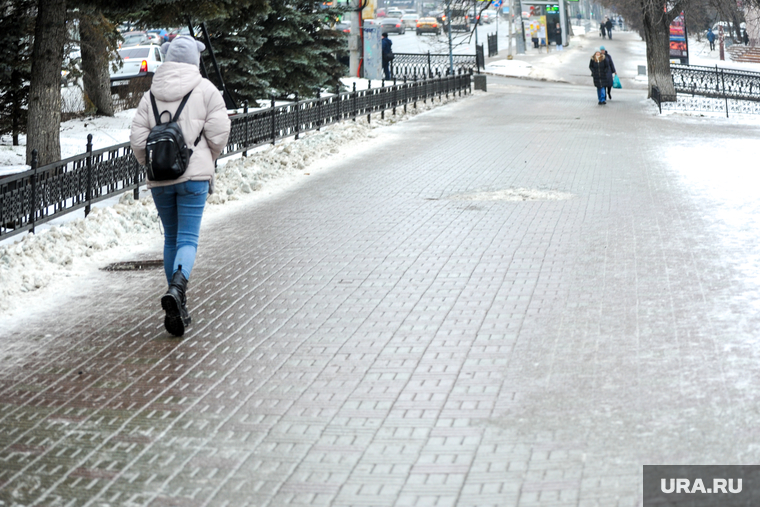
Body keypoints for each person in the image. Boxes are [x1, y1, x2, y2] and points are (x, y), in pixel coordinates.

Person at [129, 36, 231, 337]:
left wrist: (153, 163)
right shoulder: (206, 90)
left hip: (160, 179)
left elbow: (137, 140)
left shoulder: (150, 96)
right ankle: (177, 290)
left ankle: (178, 302)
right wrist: (204, 157)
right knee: (188, 239)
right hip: (194, 178)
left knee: (171, 238)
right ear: (193, 62)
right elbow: (219, 133)